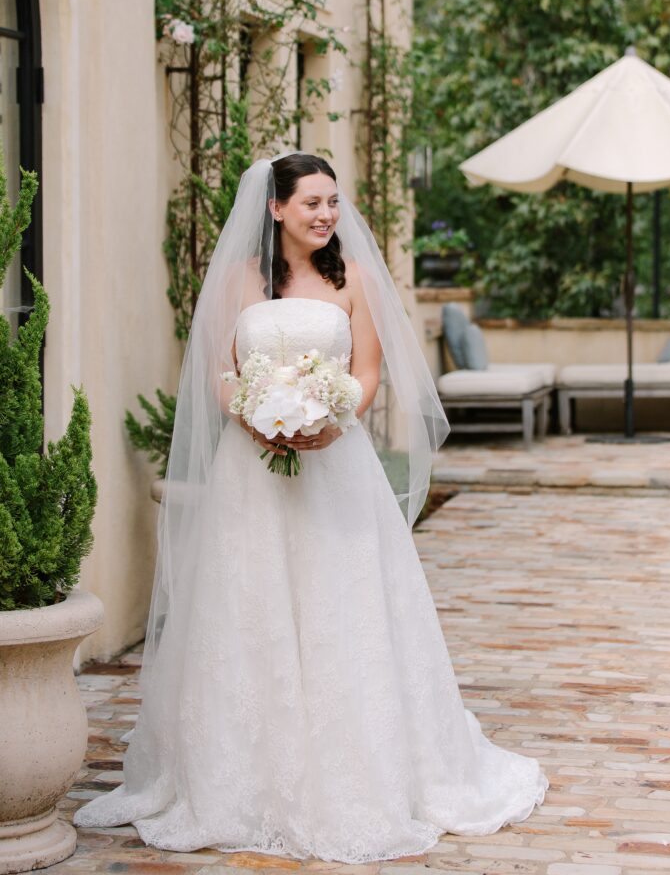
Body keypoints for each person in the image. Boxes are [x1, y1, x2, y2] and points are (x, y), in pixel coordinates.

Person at [73, 151, 547, 863]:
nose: (326, 214)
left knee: (341, 604)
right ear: (275, 209)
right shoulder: (237, 282)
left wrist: (331, 419)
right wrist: (254, 417)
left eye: (332, 202)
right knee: (249, 604)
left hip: (336, 464)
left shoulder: (351, 279)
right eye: (311, 204)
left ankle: (361, 770)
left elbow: (368, 371)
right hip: (251, 467)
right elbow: (218, 371)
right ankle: (237, 779)